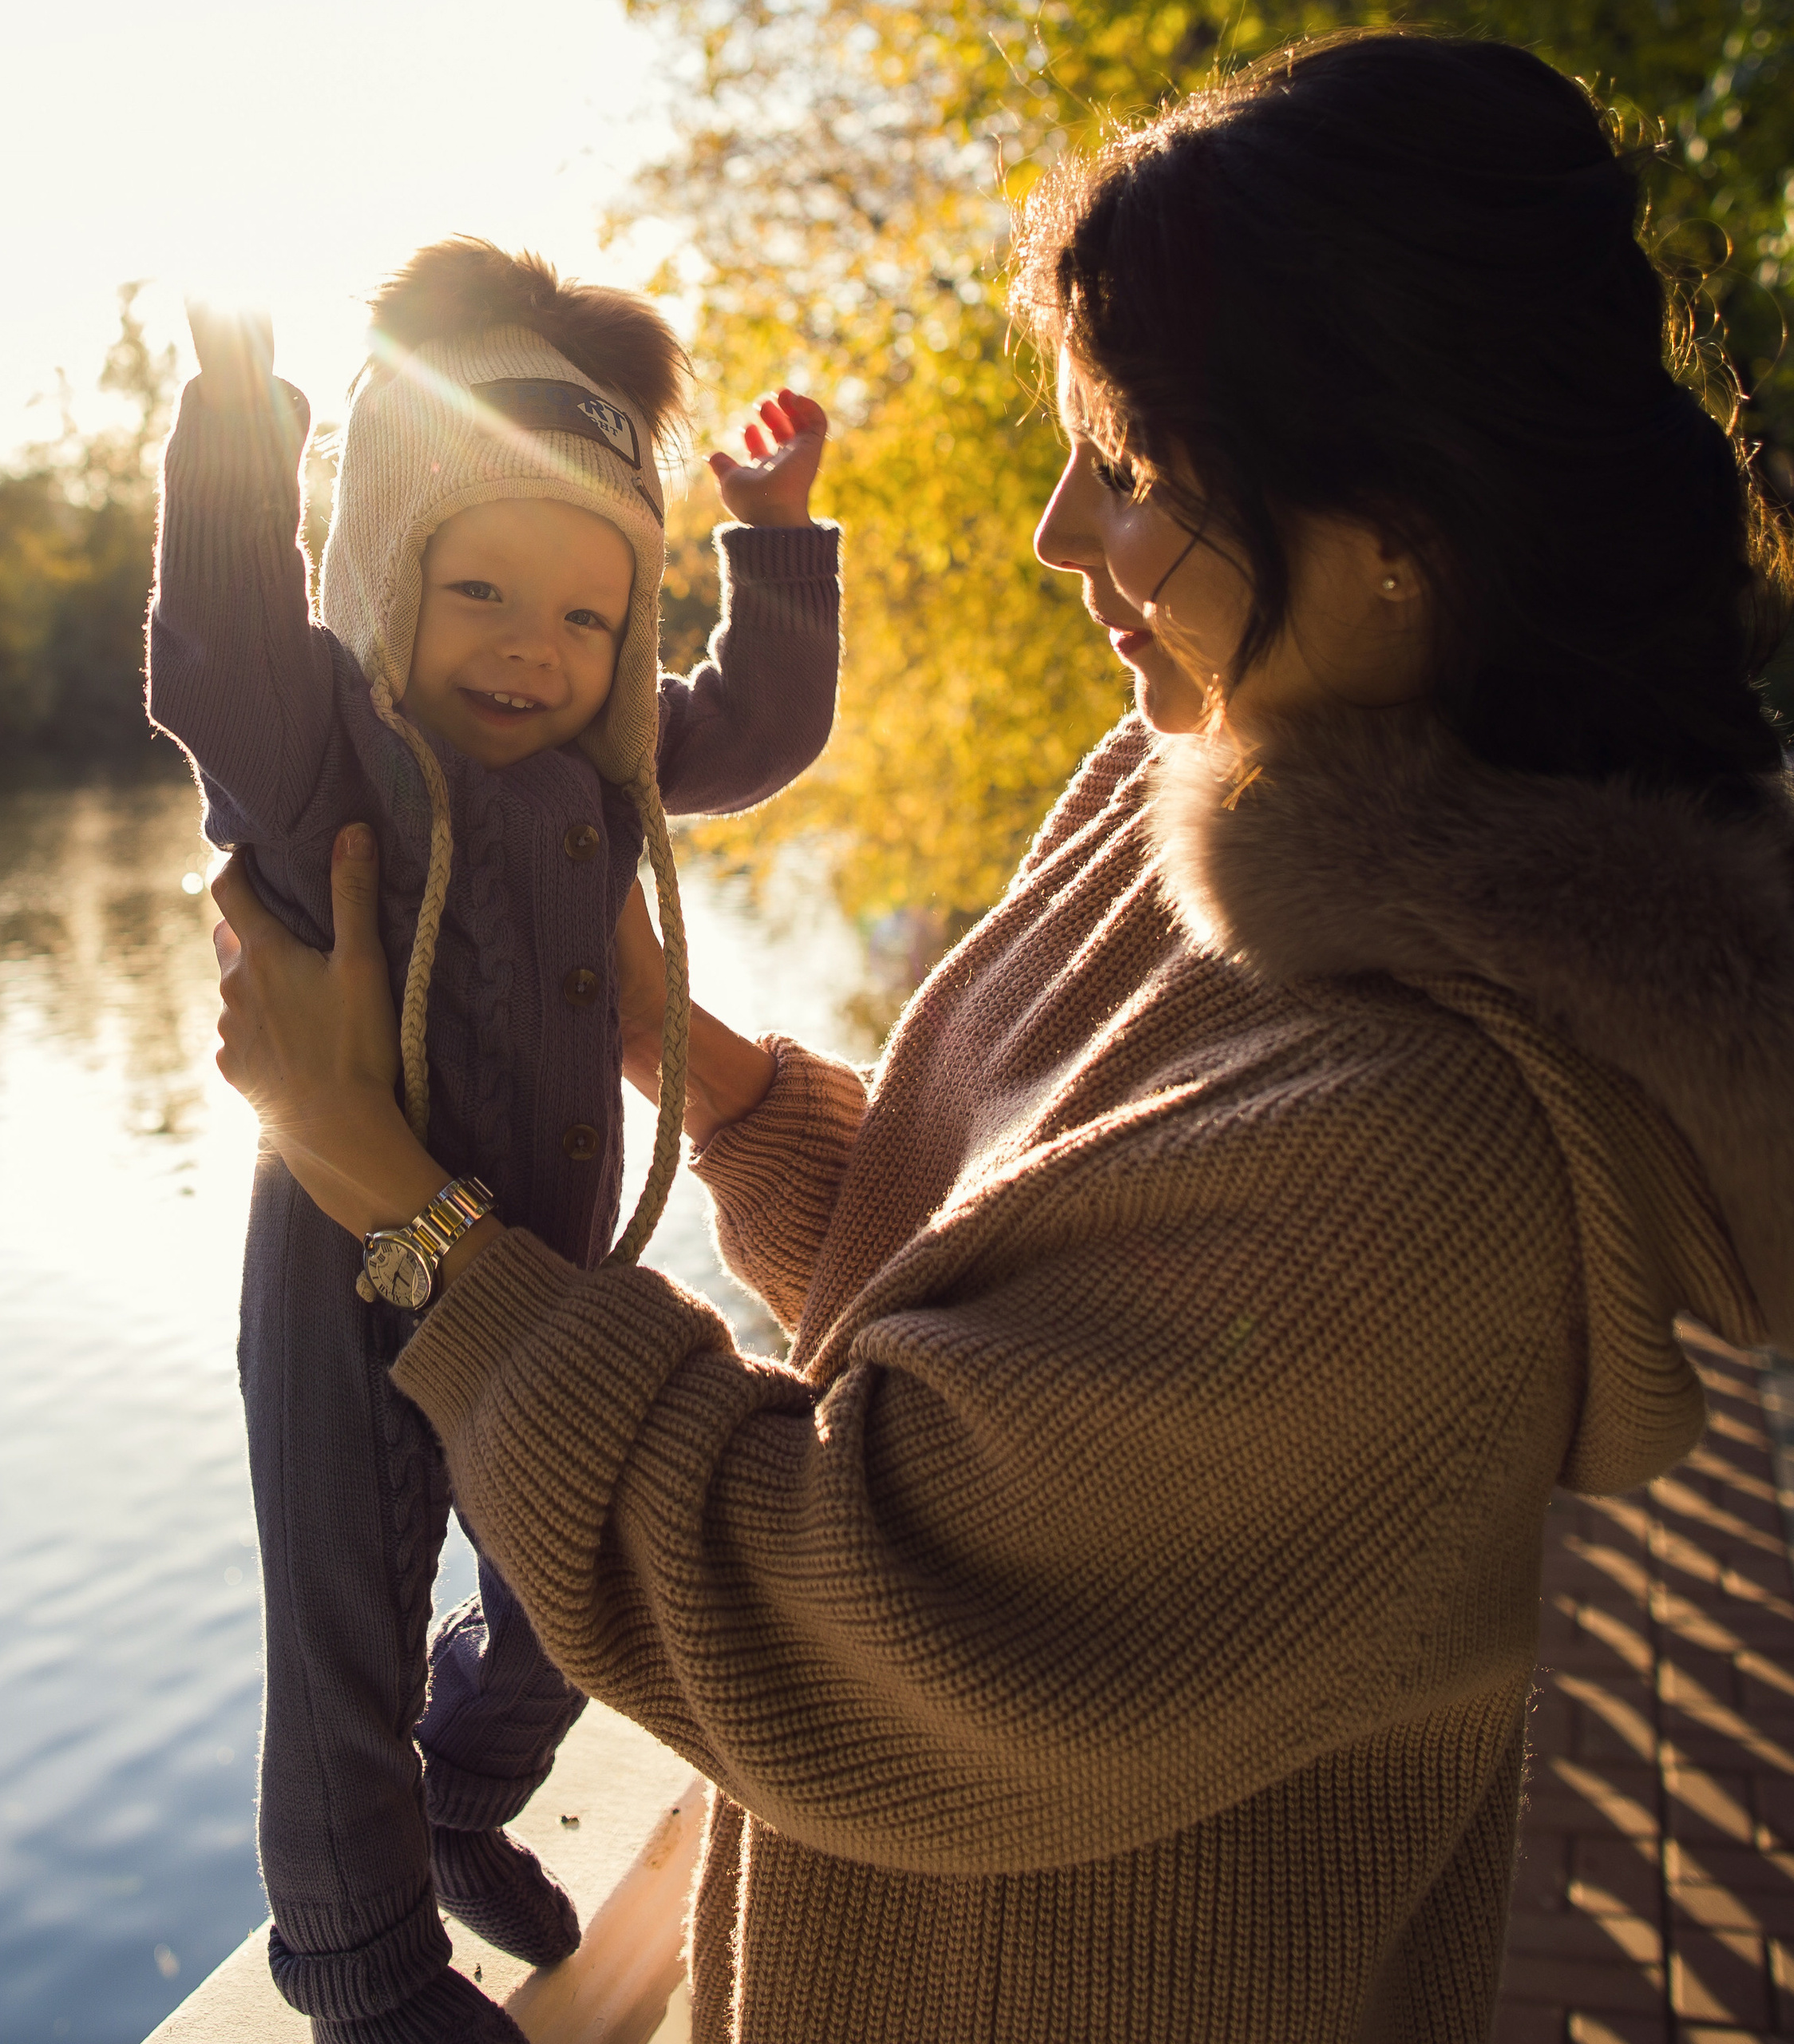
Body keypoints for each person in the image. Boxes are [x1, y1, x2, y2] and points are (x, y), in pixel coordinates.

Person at [205, 34, 1794, 2042]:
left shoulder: (1443, 1154)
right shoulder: (1205, 778)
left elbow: (836, 1616)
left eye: (1125, 472)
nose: (1054, 534)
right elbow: (1014, 1276)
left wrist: (388, 1187)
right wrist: (688, 1055)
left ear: (1392, 528)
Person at [149, 238, 840, 2040]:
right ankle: (364, 1966)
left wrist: (771, 538)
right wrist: (237, 418)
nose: (536, 646)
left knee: (570, 1576)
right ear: (388, 567)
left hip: (532, 1277)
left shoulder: (602, 768)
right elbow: (217, 653)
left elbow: (761, 727)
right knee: (346, 1636)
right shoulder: (324, 752)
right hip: (345, 1283)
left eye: (589, 616)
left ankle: (465, 1794)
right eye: (477, 590)